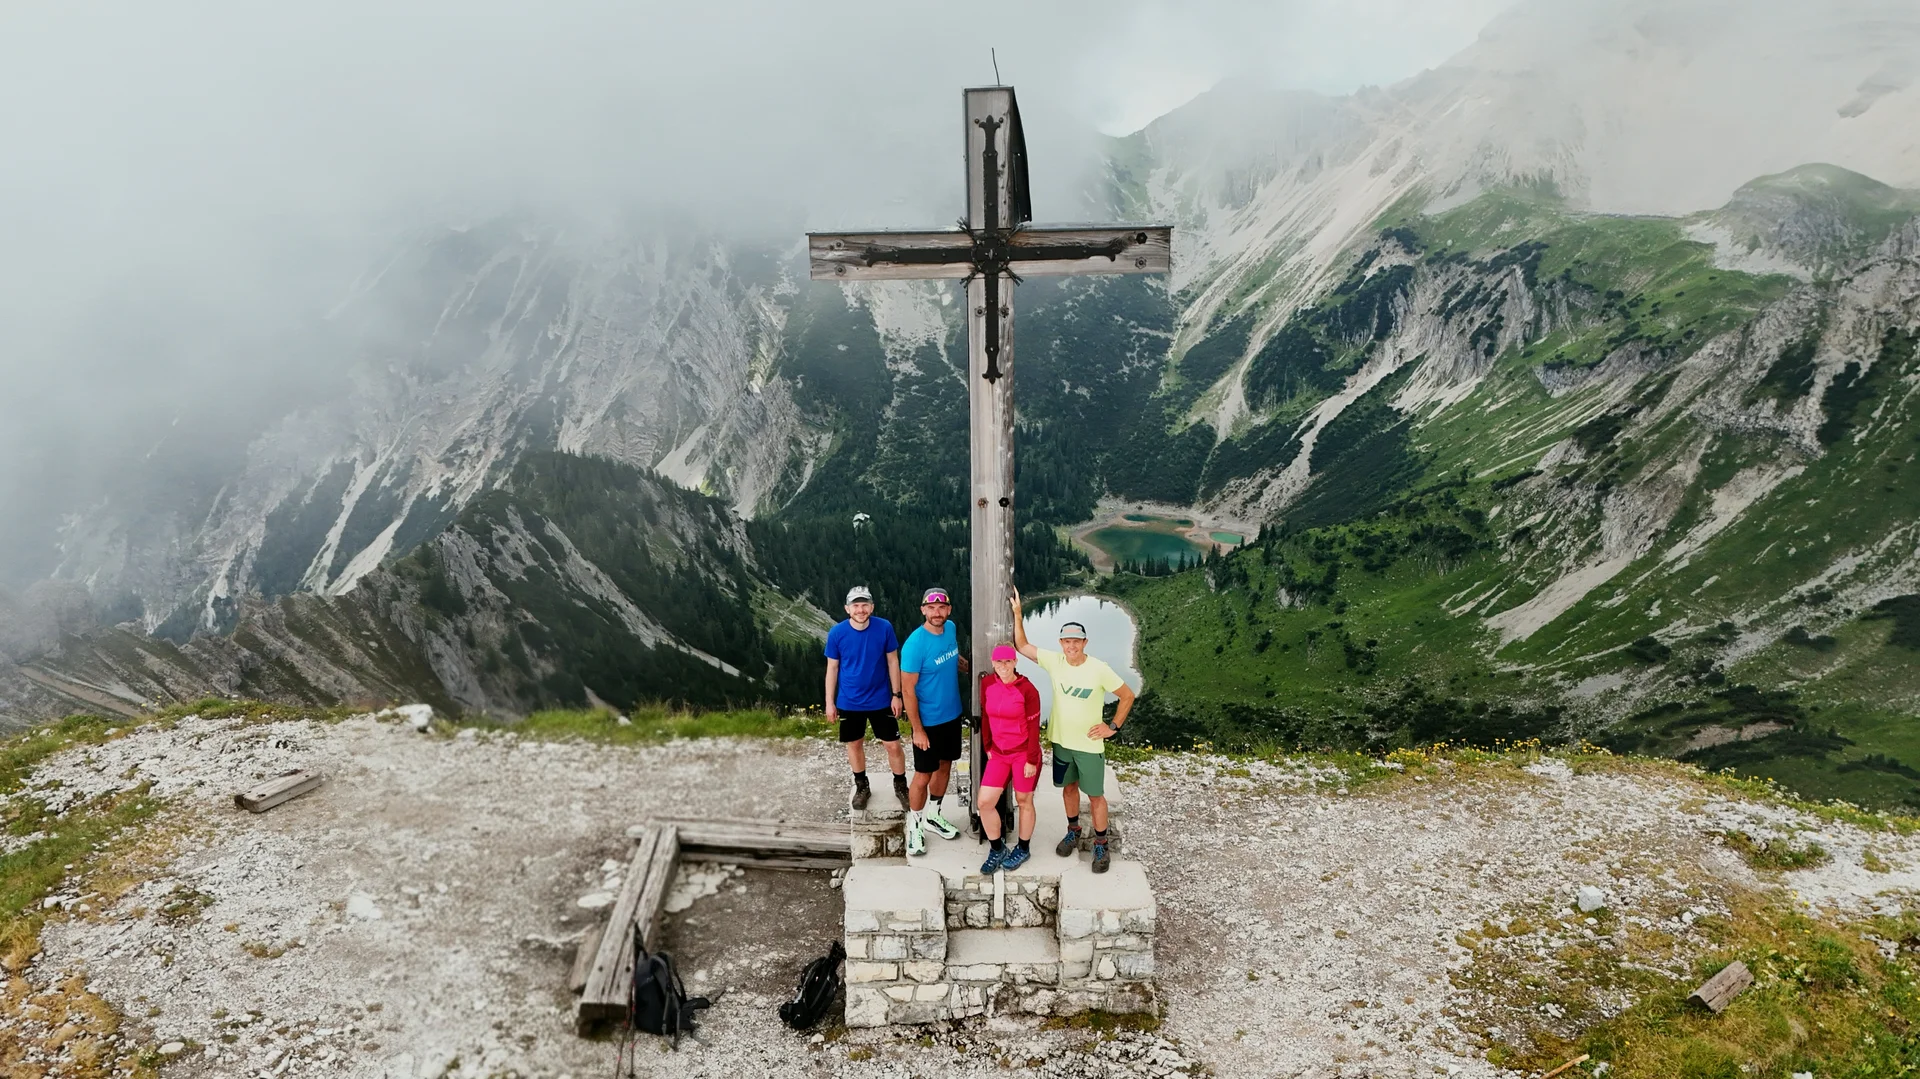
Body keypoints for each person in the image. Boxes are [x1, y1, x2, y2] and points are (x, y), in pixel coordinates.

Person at [1008, 588, 1135, 874]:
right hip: (1062, 741)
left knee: (1096, 795)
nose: (1071, 646)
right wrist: (1018, 614)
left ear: (1084, 642)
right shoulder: (1055, 661)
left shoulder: (1099, 668)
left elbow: (1127, 695)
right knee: (1068, 789)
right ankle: (1073, 830)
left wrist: (1112, 727)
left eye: (1076, 641)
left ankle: (1101, 843)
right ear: (1061, 643)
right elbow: (1022, 646)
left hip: (1090, 745)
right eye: (1067, 641)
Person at [900, 586, 967, 855]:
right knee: (923, 774)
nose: (937, 612)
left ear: (948, 610)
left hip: (952, 714)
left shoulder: (950, 629)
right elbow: (908, 690)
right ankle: (914, 825)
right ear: (923, 610)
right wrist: (917, 729)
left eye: (942, 607)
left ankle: (933, 815)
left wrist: (966, 665)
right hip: (928, 721)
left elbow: (952, 657)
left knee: (945, 766)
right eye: (931, 608)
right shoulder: (915, 644)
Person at [824, 585, 905, 809]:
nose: (860, 610)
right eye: (856, 605)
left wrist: (896, 695)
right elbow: (832, 668)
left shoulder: (884, 628)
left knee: (893, 745)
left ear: (872, 607)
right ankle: (861, 786)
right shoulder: (837, 633)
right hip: (849, 701)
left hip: (880, 699)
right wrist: (830, 702)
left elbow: (892, 661)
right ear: (847, 609)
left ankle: (900, 784)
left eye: (864, 605)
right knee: (854, 743)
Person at [976, 644, 1042, 873]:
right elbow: (985, 715)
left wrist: (1032, 760)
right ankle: (997, 849)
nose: (1003, 666)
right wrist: (987, 745)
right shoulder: (987, 684)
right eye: (999, 662)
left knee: (1024, 800)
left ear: (1015, 663)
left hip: (1024, 753)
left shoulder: (1027, 690)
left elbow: (1034, 728)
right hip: (999, 754)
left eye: (1008, 662)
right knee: (984, 802)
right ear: (993, 663)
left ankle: (1023, 848)